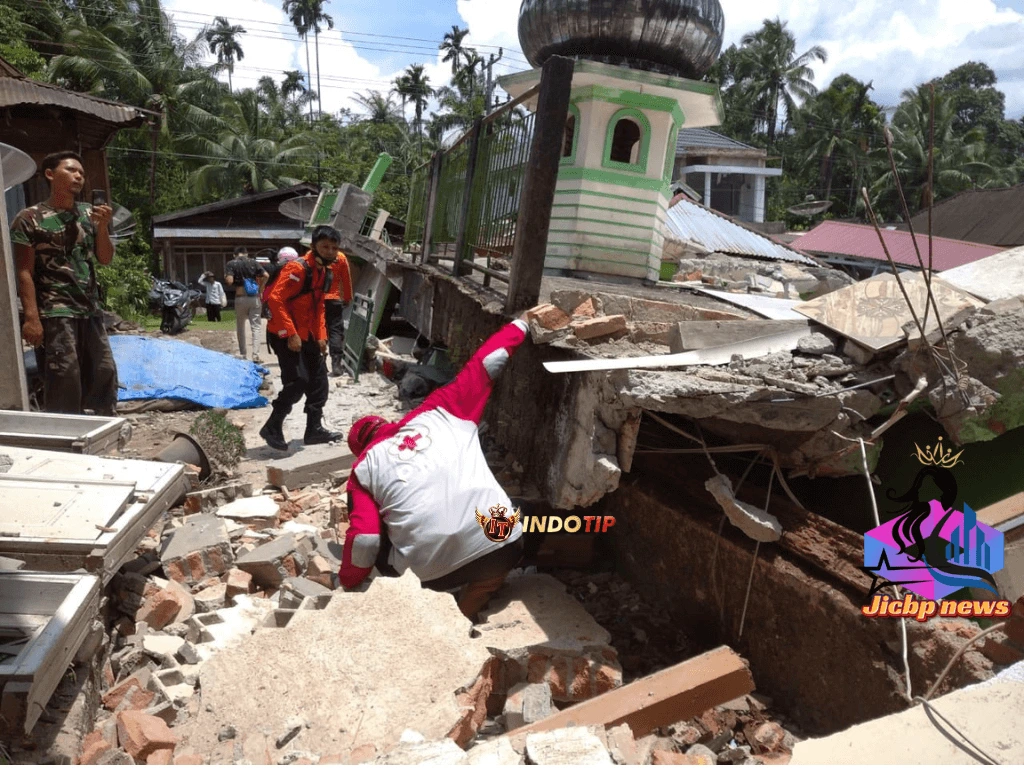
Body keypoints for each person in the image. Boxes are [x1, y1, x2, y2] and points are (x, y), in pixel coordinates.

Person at [339, 310, 537, 620]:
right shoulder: (440, 409)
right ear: (387, 423)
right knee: (516, 513)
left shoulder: (362, 470)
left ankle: (445, 612)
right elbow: (489, 361)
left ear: (360, 450)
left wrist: (348, 583)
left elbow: (365, 540)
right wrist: (521, 324)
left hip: (432, 574)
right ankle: (482, 587)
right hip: (501, 546)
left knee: (383, 525)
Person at [10, 151, 118, 416]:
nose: (78, 176)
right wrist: (32, 318)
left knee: (104, 371)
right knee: (64, 375)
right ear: (50, 174)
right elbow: (24, 271)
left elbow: (104, 259)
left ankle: (103, 427)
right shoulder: (29, 218)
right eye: (71, 170)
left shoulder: (89, 215)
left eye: (81, 172)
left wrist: (103, 227)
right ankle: (65, 435)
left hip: (89, 309)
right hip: (55, 311)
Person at [259, 226, 344, 451]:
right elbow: (276, 300)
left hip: (308, 334)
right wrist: (291, 333)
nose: (330, 251)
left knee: (319, 382)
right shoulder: (297, 269)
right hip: (284, 334)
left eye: (334, 248)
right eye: (325, 246)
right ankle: (272, 426)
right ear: (313, 246)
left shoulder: (324, 273)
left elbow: (319, 308)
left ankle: (314, 429)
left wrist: (322, 336)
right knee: (298, 381)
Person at [224, 245, 267, 362]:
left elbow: (229, 281)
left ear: (235, 255)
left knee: (240, 326)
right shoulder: (253, 262)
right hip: (254, 297)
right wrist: (261, 289)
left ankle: (243, 354)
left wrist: (226, 277)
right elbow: (266, 275)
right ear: (246, 253)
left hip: (240, 297)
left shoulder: (231, 263)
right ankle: (255, 354)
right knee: (256, 326)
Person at [324, 248, 353, 377]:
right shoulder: (340, 257)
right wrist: (347, 298)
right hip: (334, 300)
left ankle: (320, 363)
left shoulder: (315, 256)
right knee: (335, 331)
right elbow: (346, 279)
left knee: (318, 330)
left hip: (318, 300)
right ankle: (336, 364)